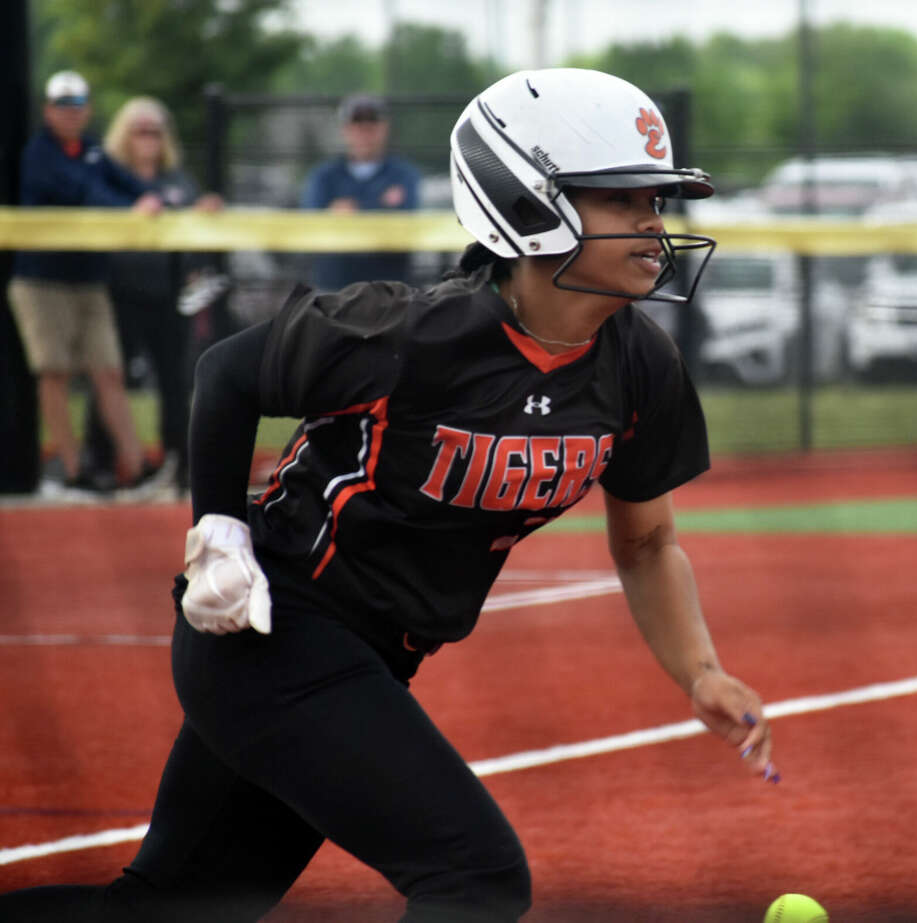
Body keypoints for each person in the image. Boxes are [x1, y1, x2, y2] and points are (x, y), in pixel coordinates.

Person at [0, 68, 777, 921]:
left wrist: (701, 671)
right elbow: (226, 372)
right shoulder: (415, 333)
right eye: (622, 200)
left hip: (368, 660)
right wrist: (219, 531)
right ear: (528, 199)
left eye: (655, 202)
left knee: (168, 910)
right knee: (476, 876)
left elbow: (649, 543)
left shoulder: (639, 363)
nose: (652, 222)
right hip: (276, 634)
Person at [6, 71, 163, 493]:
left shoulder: (92, 149)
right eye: (62, 104)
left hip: (88, 280)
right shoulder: (40, 154)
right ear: (47, 110)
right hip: (42, 281)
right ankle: (73, 471)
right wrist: (132, 209)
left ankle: (137, 468)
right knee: (54, 373)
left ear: (88, 109)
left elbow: (128, 184)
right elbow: (83, 193)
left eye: (77, 104)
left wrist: (155, 198)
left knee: (109, 371)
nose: (70, 112)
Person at [79, 95, 225, 493]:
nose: (149, 138)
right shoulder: (112, 178)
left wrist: (205, 213)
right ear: (124, 135)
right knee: (111, 375)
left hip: (168, 291)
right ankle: (99, 462)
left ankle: (179, 463)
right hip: (119, 290)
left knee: (175, 379)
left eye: (156, 131)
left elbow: (193, 227)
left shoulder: (178, 181)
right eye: (140, 130)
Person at [300, 92, 422, 290]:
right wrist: (380, 205)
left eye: (372, 126)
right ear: (345, 130)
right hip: (333, 290)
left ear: (385, 129)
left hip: (391, 291)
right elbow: (311, 225)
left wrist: (348, 212)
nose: (365, 133)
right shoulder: (323, 175)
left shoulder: (404, 174)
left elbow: (408, 222)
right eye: (358, 126)